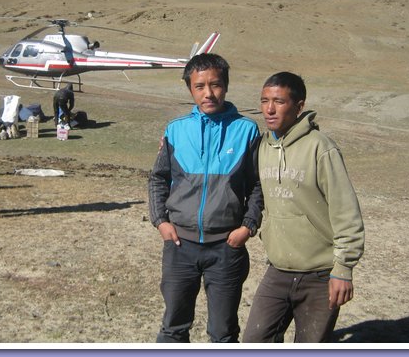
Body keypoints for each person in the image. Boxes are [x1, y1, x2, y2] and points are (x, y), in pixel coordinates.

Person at [148, 53, 263, 343]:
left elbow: (259, 185)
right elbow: (158, 178)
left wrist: (247, 227)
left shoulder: (247, 130)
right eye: (199, 86)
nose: (208, 93)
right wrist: (161, 221)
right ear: (190, 89)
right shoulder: (176, 130)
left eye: (215, 85)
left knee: (223, 332)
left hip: (226, 248)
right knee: (174, 326)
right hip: (179, 246)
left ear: (226, 85)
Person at [242, 72, 365, 343]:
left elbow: (346, 211)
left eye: (279, 101)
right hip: (278, 270)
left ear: (299, 106)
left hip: (320, 275)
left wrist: (343, 269)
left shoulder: (321, 148)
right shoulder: (262, 146)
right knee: (254, 341)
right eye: (264, 101)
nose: (269, 109)